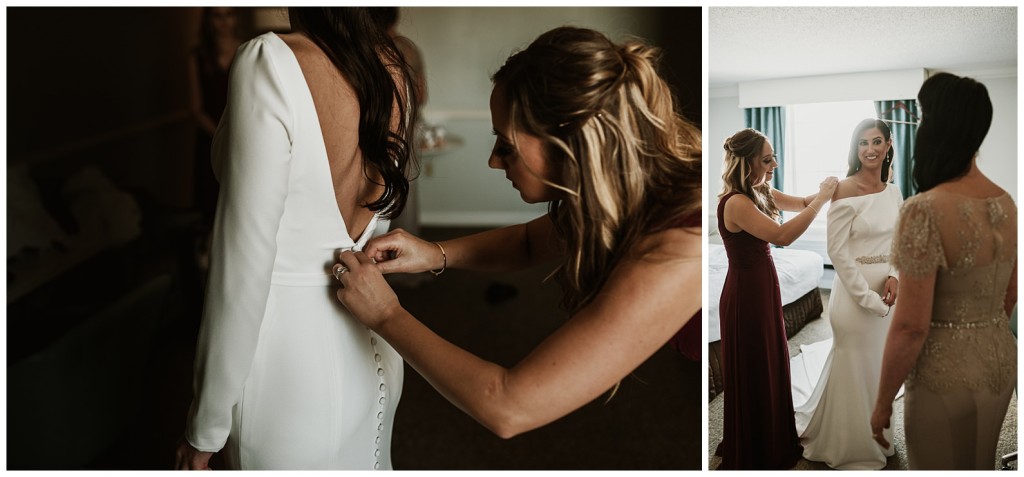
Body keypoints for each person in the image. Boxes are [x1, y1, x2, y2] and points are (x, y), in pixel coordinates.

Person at [331, 26, 702, 442]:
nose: (493, 161)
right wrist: (434, 253)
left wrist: (386, 314)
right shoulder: (626, 188)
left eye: (505, 145)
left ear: (570, 141)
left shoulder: (677, 254)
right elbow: (529, 242)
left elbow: (509, 405)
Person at [175, 7, 418, 470]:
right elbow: (377, 229)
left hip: (286, 361)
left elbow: (242, 266)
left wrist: (206, 424)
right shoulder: (390, 65)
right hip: (371, 336)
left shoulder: (269, 60)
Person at [871, 72, 1016, 470]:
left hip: (944, 373)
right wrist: (981, 336)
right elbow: (1010, 295)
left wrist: (883, 403)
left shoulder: (925, 209)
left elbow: (910, 326)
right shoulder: (1007, 203)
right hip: (1000, 363)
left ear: (935, 128)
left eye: (921, 119)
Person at [715, 128, 838, 469]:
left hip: (763, 286)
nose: (774, 165)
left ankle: (771, 430)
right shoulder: (737, 202)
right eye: (767, 159)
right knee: (756, 363)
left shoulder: (760, 190)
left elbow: (799, 204)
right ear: (746, 162)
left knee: (770, 358)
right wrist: (822, 200)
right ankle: (757, 443)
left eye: (774, 157)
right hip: (745, 296)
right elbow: (783, 235)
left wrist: (828, 191)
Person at [793, 119, 902, 469]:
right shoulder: (843, 189)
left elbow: (899, 241)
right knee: (854, 366)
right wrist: (869, 300)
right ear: (855, 150)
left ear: (888, 146)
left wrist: (895, 277)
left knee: (877, 368)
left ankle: (878, 437)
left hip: (887, 291)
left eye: (876, 141)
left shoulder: (894, 190)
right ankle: (847, 443)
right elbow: (837, 253)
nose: (869, 149)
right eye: (862, 143)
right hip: (854, 298)